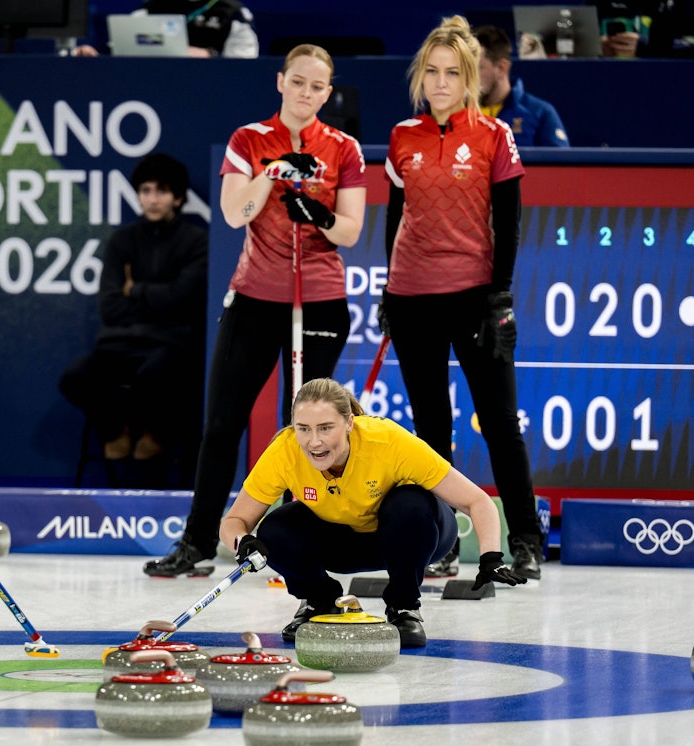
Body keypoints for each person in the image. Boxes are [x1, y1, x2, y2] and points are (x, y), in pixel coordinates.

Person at [143, 43, 367, 577]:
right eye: (298, 82)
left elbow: (352, 232)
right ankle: (198, 541)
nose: (306, 94)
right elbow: (233, 211)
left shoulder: (344, 148)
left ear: (327, 92)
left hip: (320, 299)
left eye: (317, 86)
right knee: (222, 423)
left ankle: (305, 535)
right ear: (280, 82)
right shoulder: (250, 139)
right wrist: (274, 173)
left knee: (314, 430)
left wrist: (316, 212)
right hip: (255, 296)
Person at [379, 15, 545, 582]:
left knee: (499, 420)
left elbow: (510, 221)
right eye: (433, 71)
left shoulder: (495, 137)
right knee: (430, 427)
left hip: (475, 297)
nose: (442, 82)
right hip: (411, 297)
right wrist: (387, 287)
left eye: (453, 72)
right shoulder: (403, 138)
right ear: (421, 77)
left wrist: (500, 296)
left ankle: (525, 539)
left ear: (470, 77)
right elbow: (395, 218)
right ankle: (443, 541)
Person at [218, 378, 526, 648]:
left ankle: (404, 607)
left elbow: (477, 501)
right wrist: (242, 540)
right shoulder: (285, 451)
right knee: (274, 530)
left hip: (413, 534)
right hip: (343, 541)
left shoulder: (386, 440)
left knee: (410, 503)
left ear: (349, 423)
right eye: (304, 429)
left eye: (326, 428)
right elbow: (234, 522)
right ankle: (320, 601)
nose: (315, 441)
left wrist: (491, 558)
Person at [59, 153, 207, 485]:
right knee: (76, 377)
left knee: (155, 377)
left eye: (161, 191)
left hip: (171, 345)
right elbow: (110, 307)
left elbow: (185, 301)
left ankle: (155, 436)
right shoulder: (121, 241)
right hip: (118, 344)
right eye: (145, 190)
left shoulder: (196, 242)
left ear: (178, 197)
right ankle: (118, 430)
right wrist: (158, 297)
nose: (152, 199)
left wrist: (135, 289)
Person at [474, 25, 570, 148]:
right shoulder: (457, 113)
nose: (469, 77)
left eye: (477, 68)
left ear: (502, 68)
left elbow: (561, 165)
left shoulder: (540, 113)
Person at [137, 0, 259, 58]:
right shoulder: (151, 9)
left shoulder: (233, 13)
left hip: (213, 84)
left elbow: (245, 63)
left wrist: (211, 55)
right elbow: (130, 44)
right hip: (158, 77)